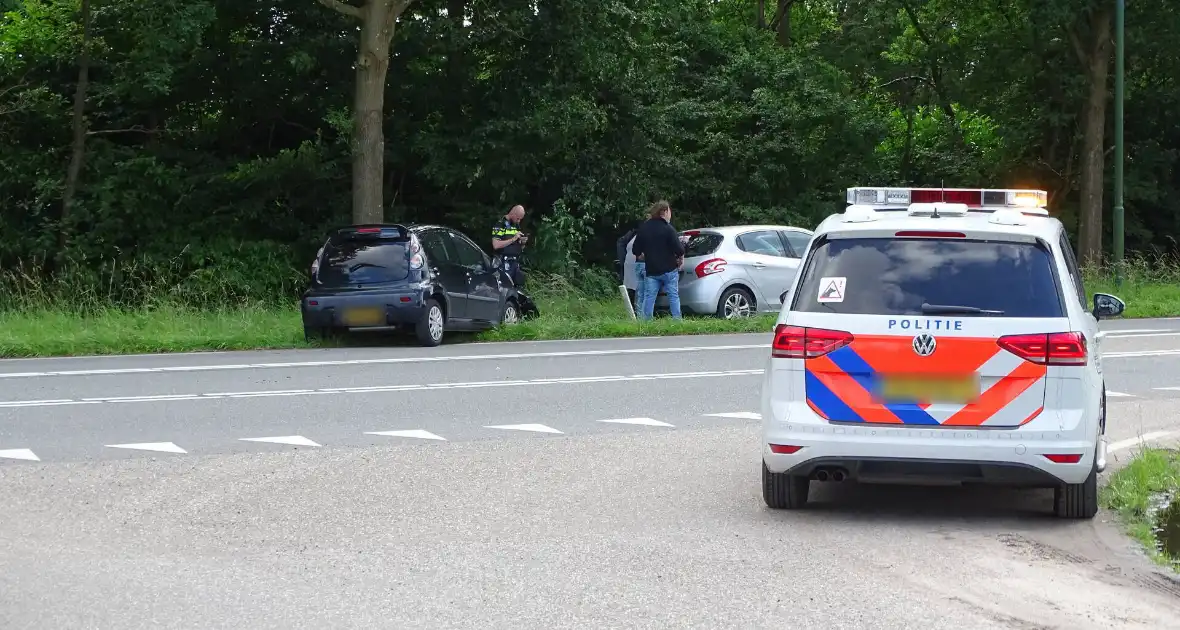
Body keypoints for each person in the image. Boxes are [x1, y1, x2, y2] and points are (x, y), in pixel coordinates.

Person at [631, 200, 684, 319]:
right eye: (670, 211)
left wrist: (645, 255)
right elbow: (679, 249)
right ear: (664, 212)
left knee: (649, 297)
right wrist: (680, 259)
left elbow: (636, 250)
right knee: (673, 296)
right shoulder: (668, 229)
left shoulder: (644, 228)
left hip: (652, 270)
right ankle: (677, 321)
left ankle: (646, 323)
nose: (670, 214)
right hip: (669, 269)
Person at [492, 204, 529, 287]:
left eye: (520, 219)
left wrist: (522, 242)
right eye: (518, 218)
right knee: (504, 287)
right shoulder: (500, 224)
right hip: (503, 263)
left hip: (514, 263)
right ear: (513, 213)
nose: (519, 221)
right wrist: (513, 239)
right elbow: (496, 245)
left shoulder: (515, 225)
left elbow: (518, 246)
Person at [615, 220, 646, 310]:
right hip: (633, 265)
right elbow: (621, 242)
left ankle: (635, 312)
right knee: (634, 291)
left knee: (635, 290)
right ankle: (635, 312)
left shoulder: (635, 234)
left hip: (633, 264)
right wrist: (622, 260)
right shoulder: (634, 234)